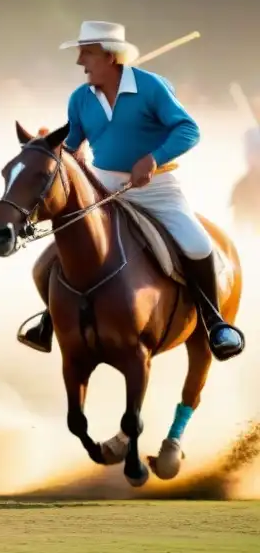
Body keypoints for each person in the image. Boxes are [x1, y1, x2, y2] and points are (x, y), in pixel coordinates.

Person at [18, 20, 245, 361]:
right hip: (103, 187)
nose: (80, 62)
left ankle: (214, 322)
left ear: (110, 56)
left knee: (198, 245)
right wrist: (56, 147)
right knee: (46, 263)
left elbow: (189, 129)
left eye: (87, 53)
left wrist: (153, 158)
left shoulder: (152, 88)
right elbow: (75, 143)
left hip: (157, 188)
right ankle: (50, 320)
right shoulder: (80, 98)